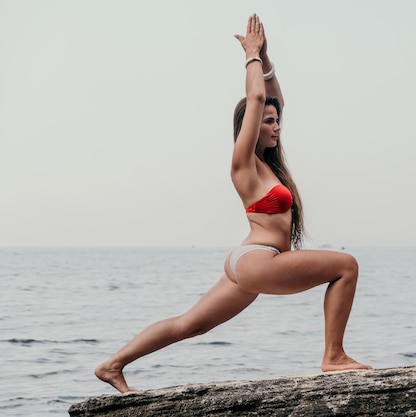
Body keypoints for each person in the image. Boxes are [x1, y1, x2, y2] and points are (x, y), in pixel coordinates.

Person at [95, 14, 371, 393]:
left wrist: (268, 59)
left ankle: (112, 364)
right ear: (250, 126)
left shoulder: (269, 166)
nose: (277, 126)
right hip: (259, 260)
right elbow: (258, 97)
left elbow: (272, 98)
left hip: (247, 263)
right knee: (346, 266)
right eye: (270, 122)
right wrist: (251, 56)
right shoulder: (244, 164)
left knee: (191, 324)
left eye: (278, 122)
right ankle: (334, 356)